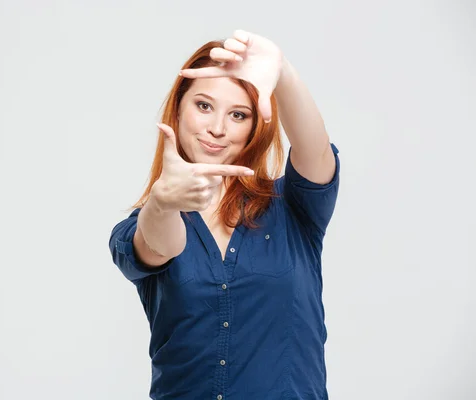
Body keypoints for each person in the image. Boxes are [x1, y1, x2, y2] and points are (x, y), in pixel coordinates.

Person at [109, 29, 340, 400]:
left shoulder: (293, 207)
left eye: (238, 114)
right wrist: (163, 202)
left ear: (253, 127)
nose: (217, 128)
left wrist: (282, 72)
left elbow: (315, 149)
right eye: (204, 106)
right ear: (179, 107)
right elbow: (161, 244)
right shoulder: (141, 225)